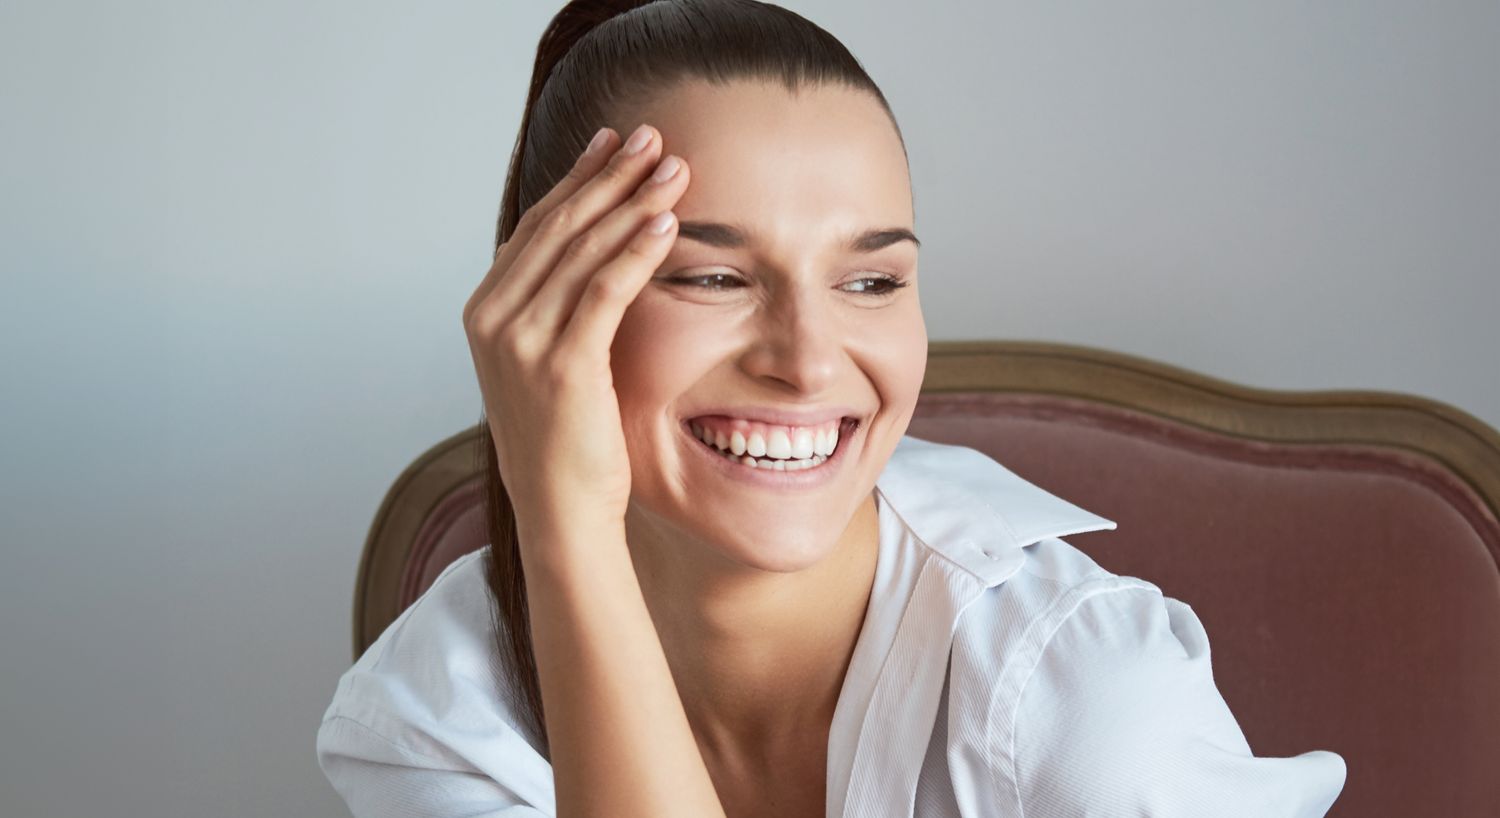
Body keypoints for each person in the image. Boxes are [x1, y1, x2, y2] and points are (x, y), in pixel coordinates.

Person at [316, 1, 1349, 816]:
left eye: (870, 282)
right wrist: (566, 528)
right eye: (713, 278)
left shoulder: (1089, 704)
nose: (809, 364)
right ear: (544, 308)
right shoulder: (440, 705)